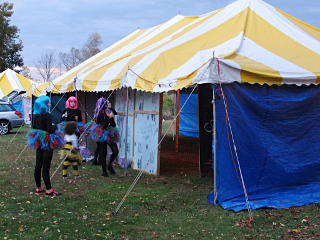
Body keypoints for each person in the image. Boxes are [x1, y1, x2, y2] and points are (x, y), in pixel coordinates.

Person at [26, 95, 64, 196]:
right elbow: (50, 130)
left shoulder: (36, 115)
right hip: (47, 142)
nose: (49, 104)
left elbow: (34, 127)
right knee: (46, 166)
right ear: (44, 104)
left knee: (38, 165)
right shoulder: (47, 115)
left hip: (38, 141)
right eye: (47, 103)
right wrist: (55, 126)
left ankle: (38, 187)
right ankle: (49, 189)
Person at [105, 100, 119, 174]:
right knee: (114, 150)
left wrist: (111, 109)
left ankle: (109, 165)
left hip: (112, 132)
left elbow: (115, 113)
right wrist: (109, 117)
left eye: (109, 103)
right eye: (107, 103)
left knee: (116, 151)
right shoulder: (103, 113)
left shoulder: (110, 111)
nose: (109, 104)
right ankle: (108, 167)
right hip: (106, 133)